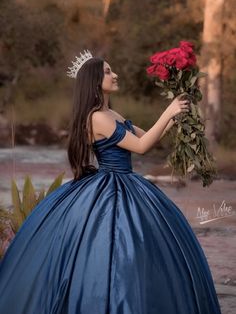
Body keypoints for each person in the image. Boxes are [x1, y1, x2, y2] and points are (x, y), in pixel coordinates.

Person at [0, 50, 222, 314]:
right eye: (107, 71)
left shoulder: (112, 114)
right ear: (94, 81)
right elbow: (140, 147)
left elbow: (150, 139)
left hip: (127, 182)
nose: (115, 75)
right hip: (111, 187)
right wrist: (168, 110)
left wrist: (177, 114)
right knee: (114, 247)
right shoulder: (97, 118)